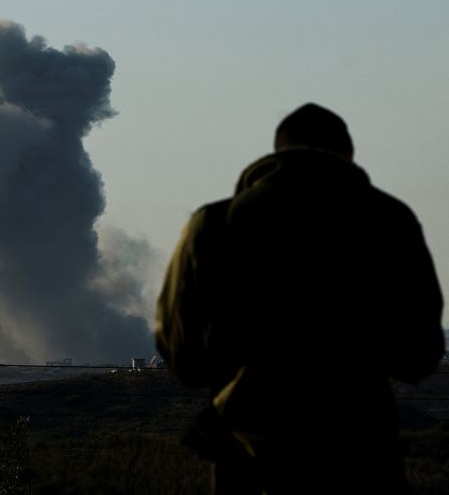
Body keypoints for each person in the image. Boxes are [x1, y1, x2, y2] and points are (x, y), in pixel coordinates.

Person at [156, 104, 444, 494]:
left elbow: (184, 358)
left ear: (276, 154)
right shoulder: (392, 222)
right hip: (362, 450)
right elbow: (419, 355)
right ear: (349, 155)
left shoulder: (213, 225)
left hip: (250, 454)